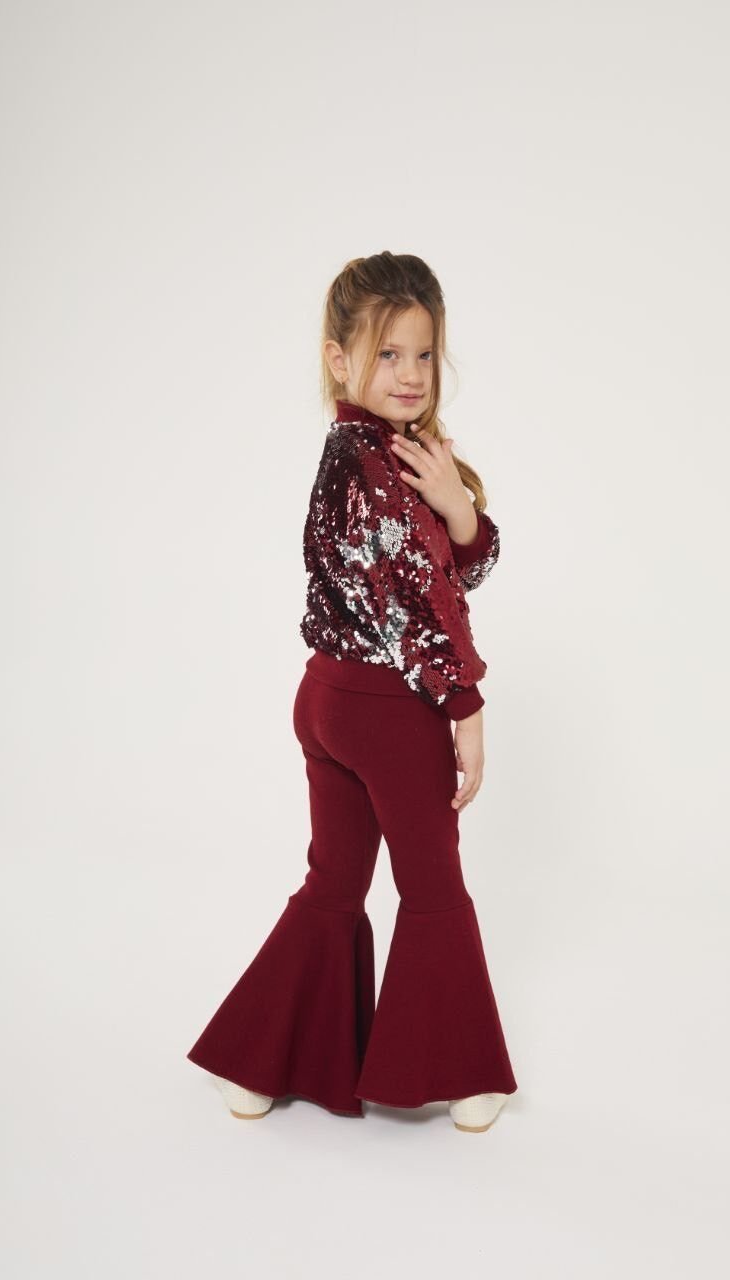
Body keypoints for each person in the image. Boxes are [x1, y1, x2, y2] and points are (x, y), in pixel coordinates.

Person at [185, 251, 519, 1134]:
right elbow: (409, 603)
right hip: (384, 711)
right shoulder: (367, 463)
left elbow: (453, 573)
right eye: (386, 355)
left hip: (329, 701)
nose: (410, 374)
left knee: (334, 881)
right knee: (433, 886)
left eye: (424, 354)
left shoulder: (384, 453)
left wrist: (456, 506)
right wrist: (464, 705)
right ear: (339, 360)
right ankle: (463, 1075)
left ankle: (258, 1064)